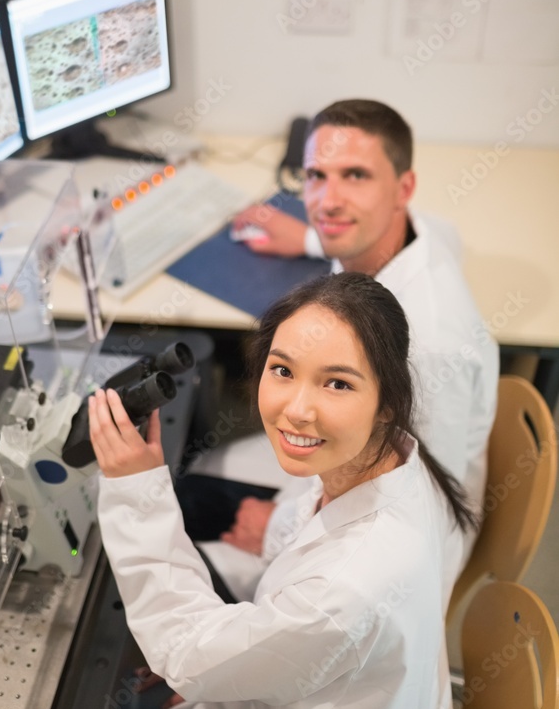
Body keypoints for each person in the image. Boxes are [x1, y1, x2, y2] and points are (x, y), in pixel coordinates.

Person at [88, 272, 477, 709]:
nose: (297, 409)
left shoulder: (345, 591)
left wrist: (136, 492)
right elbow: (307, 542)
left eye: (337, 383)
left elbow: (185, 653)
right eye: (283, 370)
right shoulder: (397, 463)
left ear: (388, 401)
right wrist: (228, 670)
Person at [181, 99, 498, 594]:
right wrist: (313, 239)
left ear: (404, 188)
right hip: (341, 453)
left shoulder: (428, 348)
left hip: (387, 545)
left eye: (355, 176)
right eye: (316, 176)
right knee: (192, 482)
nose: (327, 202)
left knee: (188, 554)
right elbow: (436, 230)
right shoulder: (423, 232)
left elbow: (420, 505)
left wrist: (277, 530)